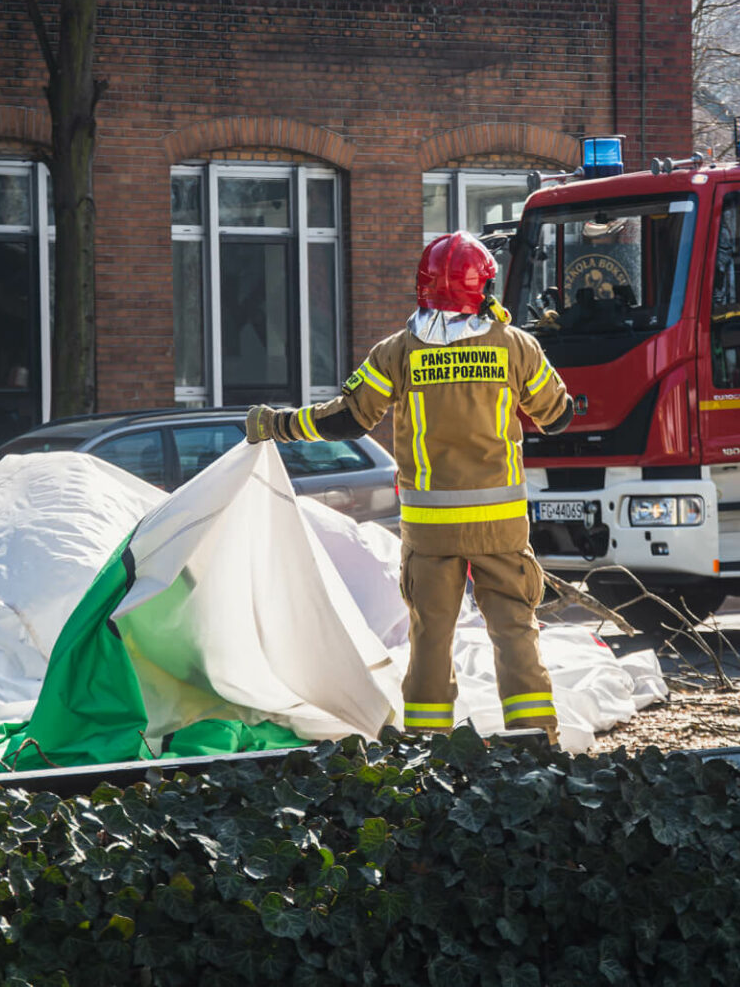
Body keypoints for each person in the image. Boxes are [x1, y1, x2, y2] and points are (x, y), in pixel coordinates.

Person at [246, 231, 575, 742]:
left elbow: (347, 420)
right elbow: (557, 418)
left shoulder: (398, 352)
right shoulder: (514, 346)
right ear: (484, 287)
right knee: (513, 632)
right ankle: (535, 741)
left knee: (430, 638)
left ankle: (428, 748)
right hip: (500, 526)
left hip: (430, 531)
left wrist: (279, 425)